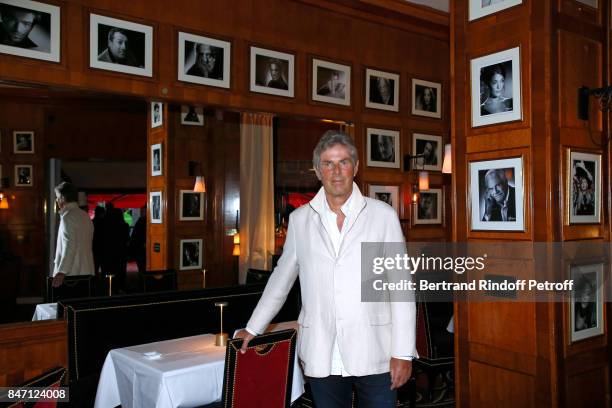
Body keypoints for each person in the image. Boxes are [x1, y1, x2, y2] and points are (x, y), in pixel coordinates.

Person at [238, 131, 417, 407]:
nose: (336, 171)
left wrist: (403, 352)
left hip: (377, 351)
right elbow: (281, 279)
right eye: (328, 163)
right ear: (318, 171)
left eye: (343, 162)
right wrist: (253, 327)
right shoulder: (299, 220)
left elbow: (401, 288)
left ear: (355, 168)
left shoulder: (383, 216)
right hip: (323, 352)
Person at [51, 182, 95, 288]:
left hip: (71, 275)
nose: (56, 200)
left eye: (57, 197)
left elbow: (70, 246)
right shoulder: (85, 216)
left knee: (67, 304)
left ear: (62, 198)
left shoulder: (67, 217)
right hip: (87, 270)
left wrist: (61, 272)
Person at [92, 205, 106, 275]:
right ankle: (105, 283)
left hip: (94, 248)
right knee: (104, 268)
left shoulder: (92, 222)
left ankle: (94, 283)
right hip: (104, 248)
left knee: (95, 268)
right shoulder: (105, 223)